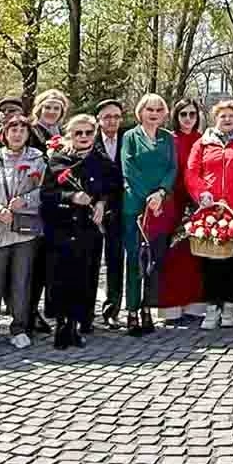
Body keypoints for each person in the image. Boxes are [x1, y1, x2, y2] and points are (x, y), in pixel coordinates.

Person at [0, 110, 47, 352]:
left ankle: (19, 328)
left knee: (21, 282)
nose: (17, 134)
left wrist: (25, 200)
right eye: (13, 130)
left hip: (24, 230)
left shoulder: (37, 159)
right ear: (4, 134)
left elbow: (45, 190)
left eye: (22, 130)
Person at [44, 114, 117, 348]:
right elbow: (47, 193)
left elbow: (113, 188)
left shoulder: (102, 160)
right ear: (70, 135)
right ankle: (61, 324)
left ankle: (79, 322)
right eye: (79, 133)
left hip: (88, 227)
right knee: (60, 276)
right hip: (63, 226)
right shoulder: (58, 159)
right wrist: (71, 196)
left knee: (86, 275)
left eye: (88, 132)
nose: (84, 137)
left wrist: (102, 203)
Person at [186, 98, 233, 329]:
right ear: (215, 118)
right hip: (210, 211)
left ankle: (230, 305)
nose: (227, 119)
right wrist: (201, 193)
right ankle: (212, 307)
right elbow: (191, 172)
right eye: (223, 116)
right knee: (210, 261)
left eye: (231, 116)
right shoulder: (203, 143)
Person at [120, 93, 178, 336]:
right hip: (136, 206)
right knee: (135, 259)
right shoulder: (130, 137)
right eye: (149, 109)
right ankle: (132, 310)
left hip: (160, 207)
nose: (154, 114)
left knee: (154, 260)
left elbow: (172, 168)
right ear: (140, 112)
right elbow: (128, 169)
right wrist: (148, 196)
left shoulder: (168, 138)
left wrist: (161, 193)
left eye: (158, 110)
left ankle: (147, 308)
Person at [160, 98, 208, 323]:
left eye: (192, 114)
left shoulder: (204, 140)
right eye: (183, 114)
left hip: (198, 202)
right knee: (173, 254)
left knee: (195, 255)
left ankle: (194, 306)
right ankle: (171, 307)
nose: (188, 119)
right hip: (173, 201)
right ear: (176, 116)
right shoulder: (169, 140)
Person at [91, 98, 127, 329]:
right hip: (93, 208)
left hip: (120, 208)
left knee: (115, 260)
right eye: (107, 117)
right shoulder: (89, 140)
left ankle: (112, 309)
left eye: (116, 116)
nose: (112, 121)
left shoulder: (128, 139)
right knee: (91, 261)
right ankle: (86, 311)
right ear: (98, 120)